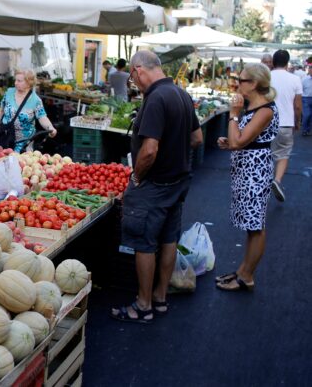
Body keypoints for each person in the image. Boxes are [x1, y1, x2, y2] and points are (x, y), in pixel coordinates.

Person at [111, 50, 202, 324]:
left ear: (139, 70)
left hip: (154, 184)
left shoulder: (156, 98)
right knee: (168, 238)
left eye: (133, 77)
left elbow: (149, 151)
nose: (134, 82)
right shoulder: (181, 94)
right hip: (178, 181)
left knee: (144, 243)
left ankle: (143, 304)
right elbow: (197, 138)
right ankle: (160, 298)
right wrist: (174, 150)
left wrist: (137, 178)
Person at [215, 63, 278, 291]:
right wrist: (229, 142)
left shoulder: (265, 111)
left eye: (240, 80)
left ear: (254, 84)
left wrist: (233, 116)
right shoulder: (254, 108)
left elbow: (240, 141)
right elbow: (239, 141)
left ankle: (247, 276)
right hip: (247, 171)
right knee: (251, 225)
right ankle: (242, 270)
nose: (236, 84)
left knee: (256, 225)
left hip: (255, 173)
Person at [0, 69, 57, 153]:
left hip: (23, 144)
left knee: (21, 164)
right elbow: (1, 111)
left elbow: (42, 117)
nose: (16, 83)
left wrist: (50, 127)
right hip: (5, 138)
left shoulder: (35, 100)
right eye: (15, 80)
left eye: (19, 81)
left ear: (28, 83)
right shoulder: (9, 93)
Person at [269, 50, 302, 202]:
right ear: (287, 63)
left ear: (273, 62)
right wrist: (297, 122)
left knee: (265, 153)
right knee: (283, 155)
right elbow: (297, 105)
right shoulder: (295, 79)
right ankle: (277, 180)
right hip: (286, 123)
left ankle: (263, 181)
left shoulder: (266, 76)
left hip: (265, 122)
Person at [302, 65, 312, 136]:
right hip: (306, 99)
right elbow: (300, 90)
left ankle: (308, 129)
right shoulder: (304, 79)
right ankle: (305, 129)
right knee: (307, 115)